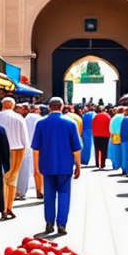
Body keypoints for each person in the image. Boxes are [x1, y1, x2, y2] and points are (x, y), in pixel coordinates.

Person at [32, 97, 82, 235]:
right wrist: (78, 165)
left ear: (49, 107)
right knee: (64, 193)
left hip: (47, 164)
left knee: (49, 194)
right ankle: (61, 224)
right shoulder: (71, 124)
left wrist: (35, 167)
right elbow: (76, 148)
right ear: (62, 107)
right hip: (65, 165)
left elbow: (36, 149)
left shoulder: (41, 124)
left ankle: (49, 222)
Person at [0, 97, 28, 218]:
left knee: (4, 179)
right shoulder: (19, 117)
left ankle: (4, 208)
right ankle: (10, 207)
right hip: (18, 149)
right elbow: (25, 138)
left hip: (4, 148)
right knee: (13, 178)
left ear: (4, 105)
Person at [24, 104, 44, 198]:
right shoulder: (40, 119)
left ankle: (35, 187)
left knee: (31, 167)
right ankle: (40, 189)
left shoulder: (26, 118)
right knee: (38, 168)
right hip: (38, 145)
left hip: (28, 144)